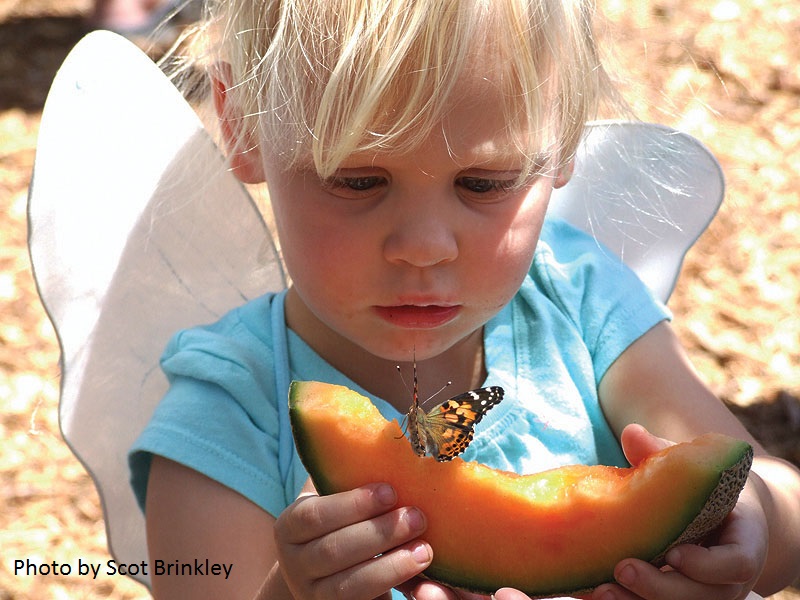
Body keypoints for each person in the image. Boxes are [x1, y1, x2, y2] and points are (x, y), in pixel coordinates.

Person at [126, 1, 800, 599]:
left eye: (483, 182)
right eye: (357, 180)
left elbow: (775, 494)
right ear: (242, 127)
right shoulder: (228, 415)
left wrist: (753, 526)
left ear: (561, 142)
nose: (424, 247)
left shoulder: (580, 301)